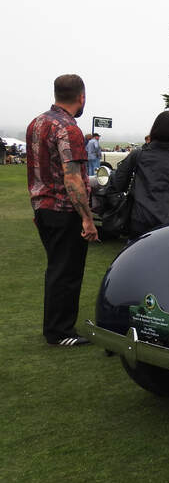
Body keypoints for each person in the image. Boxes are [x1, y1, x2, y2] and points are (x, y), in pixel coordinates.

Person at [26, 74, 98, 346]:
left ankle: (57, 327)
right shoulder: (69, 128)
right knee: (66, 273)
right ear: (81, 97)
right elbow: (72, 178)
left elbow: (36, 172)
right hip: (64, 210)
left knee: (57, 268)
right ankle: (61, 332)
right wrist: (87, 219)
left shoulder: (37, 123)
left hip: (42, 207)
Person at [112, 111, 169, 239]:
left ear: (155, 130)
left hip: (140, 224)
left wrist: (123, 209)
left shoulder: (139, 155)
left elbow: (115, 185)